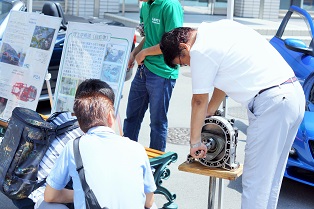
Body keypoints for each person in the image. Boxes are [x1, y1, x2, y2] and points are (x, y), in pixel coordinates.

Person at [159, 20, 305, 209]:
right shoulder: (218, 28)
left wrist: (195, 142)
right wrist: (210, 111)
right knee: (271, 178)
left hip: (272, 102)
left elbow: (198, 101)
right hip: (293, 95)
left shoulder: (200, 50)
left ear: (184, 47)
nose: (187, 65)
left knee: (255, 182)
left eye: (183, 61)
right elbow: (223, 81)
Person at [43, 79, 157, 209]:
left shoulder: (74, 147)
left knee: (46, 204)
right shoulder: (137, 148)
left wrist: (82, 194)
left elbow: (50, 196)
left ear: (79, 123)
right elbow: (149, 201)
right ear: (110, 116)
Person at [123, 0, 183, 152]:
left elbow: (173, 43)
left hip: (162, 73)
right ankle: (126, 157)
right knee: (131, 117)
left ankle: (157, 167)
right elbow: (149, 37)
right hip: (143, 69)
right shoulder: (145, 6)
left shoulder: (170, 6)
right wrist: (134, 53)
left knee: (157, 123)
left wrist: (144, 53)